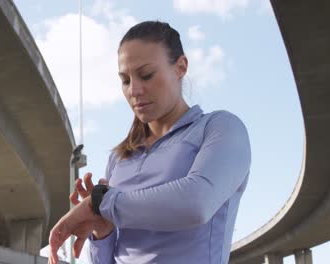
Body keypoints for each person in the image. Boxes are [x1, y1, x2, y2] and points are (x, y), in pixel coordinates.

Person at [48, 20, 251, 264]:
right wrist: (101, 230)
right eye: (125, 80)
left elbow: (196, 203)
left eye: (146, 75)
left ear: (181, 67)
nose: (134, 90)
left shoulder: (221, 128)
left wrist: (102, 202)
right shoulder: (119, 158)